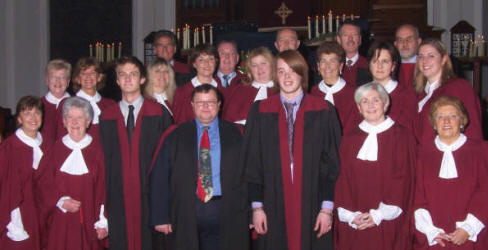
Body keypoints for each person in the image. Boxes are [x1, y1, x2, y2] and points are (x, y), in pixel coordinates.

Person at [245, 50, 341, 250]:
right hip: (272, 201)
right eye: (281, 71)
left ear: (302, 73)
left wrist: (327, 209)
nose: (287, 77)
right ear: (275, 75)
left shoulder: (323, 110)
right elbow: (252, 163)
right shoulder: (261, 110)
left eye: (292, 71)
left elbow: (332, 164)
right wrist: (256, 207)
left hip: (313, 201)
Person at [150, 84, 249, 250]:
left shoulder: (237, 133)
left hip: (228, 209)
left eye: (210, 102)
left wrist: (253, 212)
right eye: (200, 102)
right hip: (187, 210)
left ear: (219, 105)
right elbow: (160, 177)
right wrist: (161, 216)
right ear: (192, 105)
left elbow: (250, 173)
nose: (205, 106)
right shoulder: (175, 135)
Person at [98, 56, 173, 250]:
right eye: (122, 74)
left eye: (133, 74)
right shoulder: (106, 116)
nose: (128, 79)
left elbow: (169, 163)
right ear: (117, 81)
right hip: (118, 197)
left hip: (151, 197)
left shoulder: (159, 114)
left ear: (142, 79)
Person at [334, 83, 416, 250]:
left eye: (375, 100)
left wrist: (378, 214)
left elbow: (404, 179)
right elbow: (342, 178)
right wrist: (350, 215)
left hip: (388, 220)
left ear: (385, 104)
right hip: (354, 221)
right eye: (364, 101)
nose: (370, 105)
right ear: (358, 107)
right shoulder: (350, 138)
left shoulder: (402, 136)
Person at [413, 96, 488, 249]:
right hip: (434, 239)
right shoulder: (421, 153)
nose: (446, 121)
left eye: (452, 116)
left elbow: (485, 192)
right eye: (440, 117)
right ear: (434, 124)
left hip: (472, 237)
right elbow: (417, 196)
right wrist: (431, 231)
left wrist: (468, 228)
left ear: (462, 121)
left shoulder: (482, 151)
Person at [35, 97, 108, 250]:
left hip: (90, 222)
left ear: (88, 122)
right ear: (63, 121)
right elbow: (42, 184)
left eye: (80, 118)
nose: (75, 122)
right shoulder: (54, 150)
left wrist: (103, 221)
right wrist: (60, 200)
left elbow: (105, 189)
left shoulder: (99, 151)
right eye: (70, 117)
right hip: (59, 222)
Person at [0, 96, 51, 250]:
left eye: (37, 113)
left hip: (44, 213)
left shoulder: (48, 145)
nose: (33, 118)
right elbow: (6, 188)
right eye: (27, 113)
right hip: (20, 214)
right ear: (19, 118)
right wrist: (14, 222)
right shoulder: (9, 147)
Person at [414, 38, 482, 144]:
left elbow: (473, 128)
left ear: (444, 59)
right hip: (425, 156)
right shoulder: (420, 94)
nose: (424, 61)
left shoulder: (458, 87)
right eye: (421, 57)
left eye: (431, 56)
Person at [56, 57, 116, 140]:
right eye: (83, 73)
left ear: (99, 77)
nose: (88, 76)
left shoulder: (111, 105)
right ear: (77, 79)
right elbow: (61, 137)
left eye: (92, 73)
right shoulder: (66, 103)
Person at [367, 40, 416, 131]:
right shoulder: (362, 94)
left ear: (393, 66)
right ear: (370, 65)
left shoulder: (406, 95)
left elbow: (408, 132)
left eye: (385, 61)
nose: (380, 66)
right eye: (375, 61)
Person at [310, 41, 359, 133]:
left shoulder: (354, 94)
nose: (327, 66)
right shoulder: (312, 93)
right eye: (323, 61)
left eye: (332, 61)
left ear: (340, 66)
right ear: (318, 66)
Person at [222, 46, 275, 126]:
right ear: (250, 69)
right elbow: (228, 120)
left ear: (272, 65)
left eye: (263, 63)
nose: (259, 68)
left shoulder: (282, 90)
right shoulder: (240, 90)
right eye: (254, 65)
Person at [172, 44, 224, 124]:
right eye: (201, 60)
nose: (207, 63)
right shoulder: (182, 93)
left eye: (211, 59)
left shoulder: (222, 90)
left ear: (216, 62)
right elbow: (179, 125)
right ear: (194, 64)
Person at [41, 59, 71, 140]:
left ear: (68, 82)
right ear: (47, 81)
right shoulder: (38, 105)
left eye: (62, 77)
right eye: (53, 77)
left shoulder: (77, 105)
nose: (58, 81)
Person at [336, 21, 371, 86]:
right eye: (346, 35)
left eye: (354, 34)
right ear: (338, 40)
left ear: (360, 40)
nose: (350, 39)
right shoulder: (332, 66)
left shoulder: (370, 65)